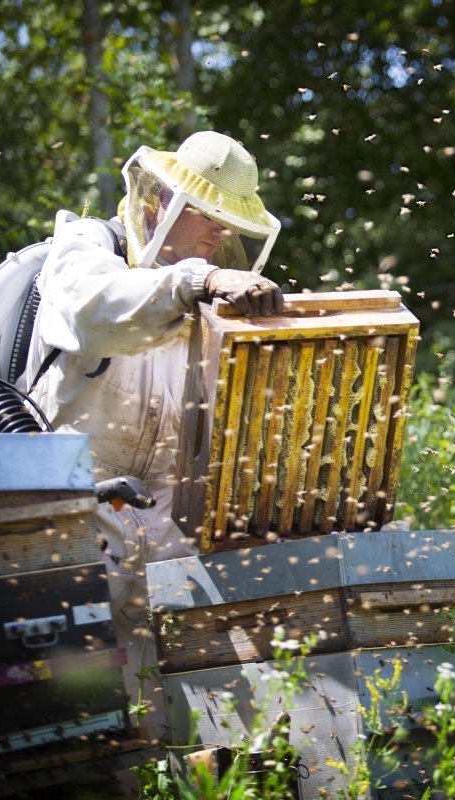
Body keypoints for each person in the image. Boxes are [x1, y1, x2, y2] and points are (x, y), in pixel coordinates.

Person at [23, 131, 284, 740]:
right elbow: (94, 310)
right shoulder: (88, 247)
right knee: (82, 720)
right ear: (160, 199)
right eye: (208, 212)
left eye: (230, 219)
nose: (221, 230)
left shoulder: (205, 290)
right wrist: (195, 281)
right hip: (76, 513)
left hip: (170, 521)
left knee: (201, 720)